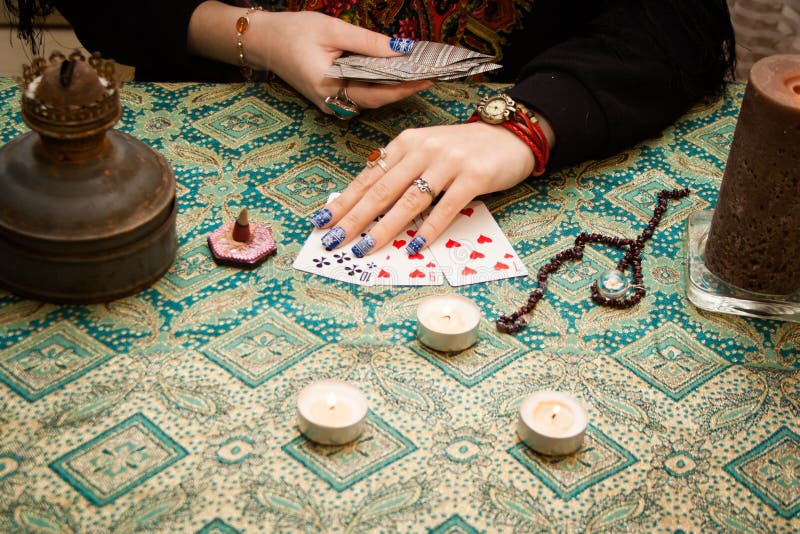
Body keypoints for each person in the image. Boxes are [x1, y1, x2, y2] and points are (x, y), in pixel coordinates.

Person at [6, 1, 735, 258]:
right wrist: (253, 35)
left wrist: (522, 126)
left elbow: (678, 20)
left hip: (530, 104)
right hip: (245, 86)